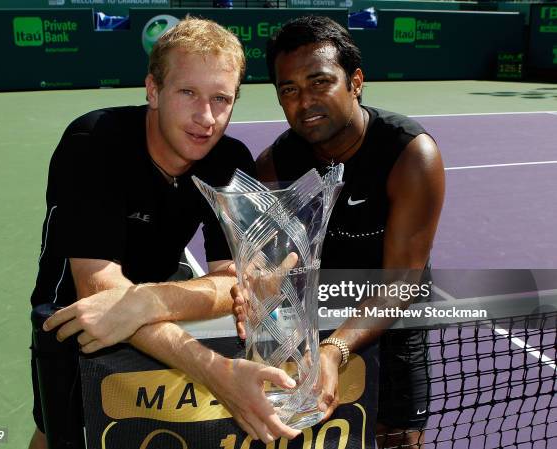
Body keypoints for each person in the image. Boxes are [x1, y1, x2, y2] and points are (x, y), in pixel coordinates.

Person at [29, 17, 300, 449]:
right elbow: (98, 289)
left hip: (165, 315)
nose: (206, 117)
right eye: (187, 93)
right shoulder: (93, 142)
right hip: (73, 321)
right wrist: (219, 373)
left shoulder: (228, 160)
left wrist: (150, 301)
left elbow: (243, 280)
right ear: (153, 90)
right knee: (59, 437)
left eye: (221, 99)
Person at [232, 15, 445, 449]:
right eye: (288, 89)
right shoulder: (275, 165)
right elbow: (270, 269)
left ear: (356, 82)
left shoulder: (409, 155)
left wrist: (336, 349)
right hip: (313, 330)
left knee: (398, 442)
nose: (304, 100)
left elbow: (401, 281)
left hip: (393, 331)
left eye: (319, 82)